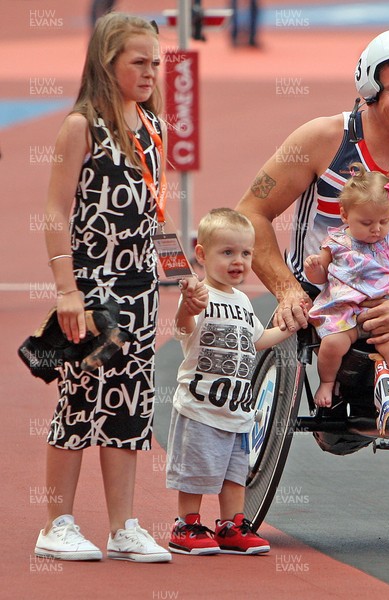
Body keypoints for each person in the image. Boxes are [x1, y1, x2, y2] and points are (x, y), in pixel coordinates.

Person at [34, 12, 181, 562]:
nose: (150, 72)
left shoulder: (152, 125)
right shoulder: (82, 126)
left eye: (156, 63)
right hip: (93, 287)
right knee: (79, 398)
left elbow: (154, 212)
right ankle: (57, 523)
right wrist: (65, 288)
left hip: (142, 288)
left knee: (130, 405)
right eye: (138, 62)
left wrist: (182, 280)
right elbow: (54, 209)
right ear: (107, 62)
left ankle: (123, 527)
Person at [236, 28, 389, 353]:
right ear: (370, 90)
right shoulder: (322, 140)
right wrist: (287, 290)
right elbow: (250, 212)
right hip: (319, 298)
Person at [166, 208, 298, 555]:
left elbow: (256, 340)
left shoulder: (242, 301)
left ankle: (230, 525)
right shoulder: (199, 296)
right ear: (202, 254)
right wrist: (186, 308)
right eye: (227, 252)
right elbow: (184, 329)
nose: (237, 261)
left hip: (237, 410)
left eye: (245, 253)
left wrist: (289, 326)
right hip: (201, 406)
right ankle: (188, 524)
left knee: (234, 474)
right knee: (196, 470)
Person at [304, 163, 389, 430]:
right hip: (345, 310)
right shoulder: (336, 242)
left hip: (385, 309)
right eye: (367, 223)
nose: (376, 229)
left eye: (384, 221)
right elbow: (321, 277)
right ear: (345, 215)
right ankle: (327, 382)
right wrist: (315, 269)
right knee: (333, 345)